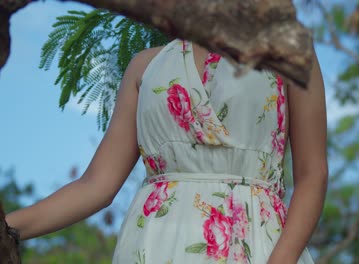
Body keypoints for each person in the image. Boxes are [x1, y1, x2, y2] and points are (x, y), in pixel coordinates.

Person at [6, 37, 328, 263]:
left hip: (259, 246)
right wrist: (5, 228)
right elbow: (96, 186)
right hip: (153, 246)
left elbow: (313, 174)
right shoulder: (146, 66)